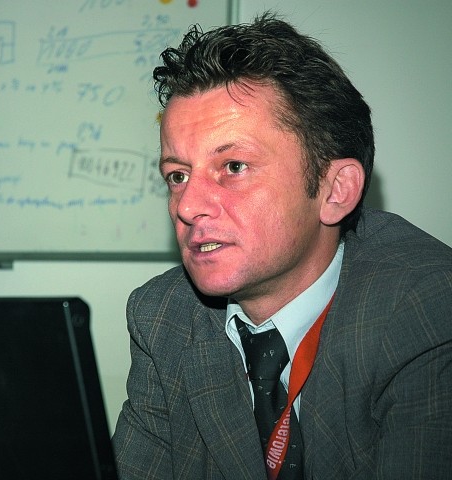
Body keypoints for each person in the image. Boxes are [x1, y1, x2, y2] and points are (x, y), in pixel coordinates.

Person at [112, 12, 452, 479]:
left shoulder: (426, 309)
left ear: (335, 190)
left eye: (233, 167)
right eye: (177, 175)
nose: (187, 206)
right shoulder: (162, 316)